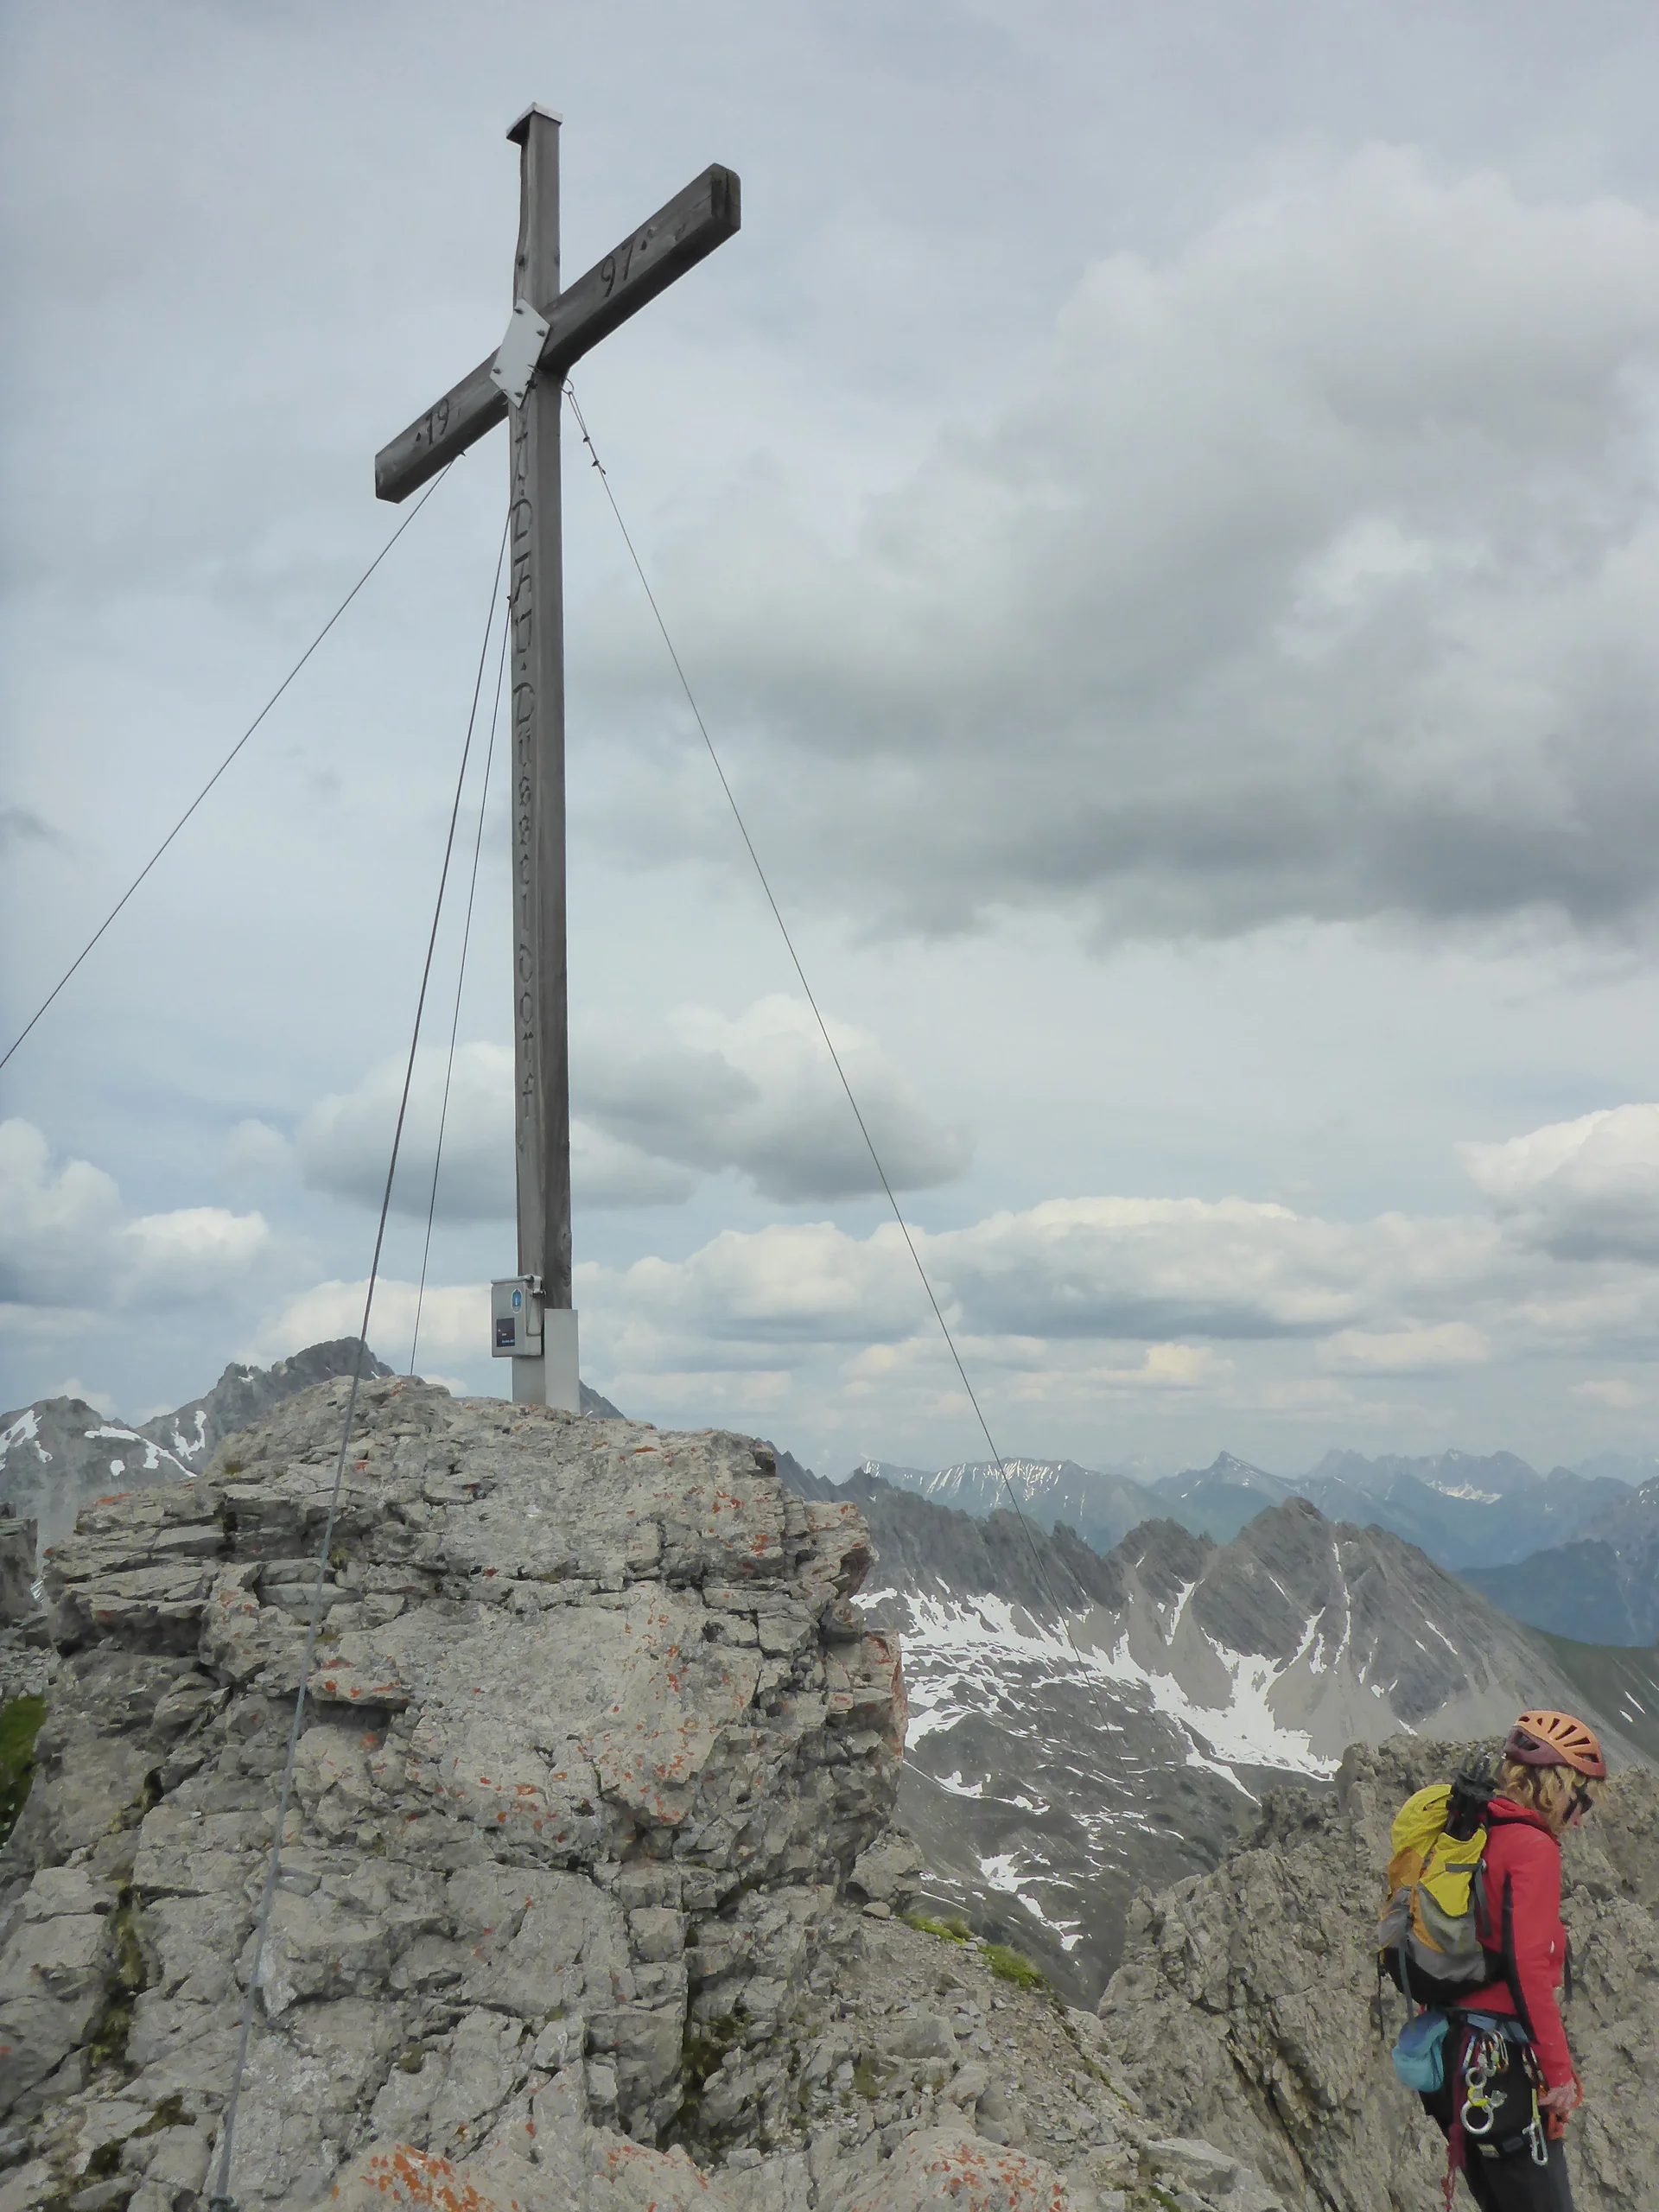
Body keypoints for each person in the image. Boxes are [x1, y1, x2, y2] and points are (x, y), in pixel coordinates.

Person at [1424, 1710, 1605, 2212]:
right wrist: (1560, 2074)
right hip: (1496, 2068)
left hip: (1448, 2057)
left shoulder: (1475, 1828)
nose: (1580, 1816)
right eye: (1581, 1799)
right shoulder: (1533, 1847)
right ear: (1558, 1787)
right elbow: (1527, 1967)